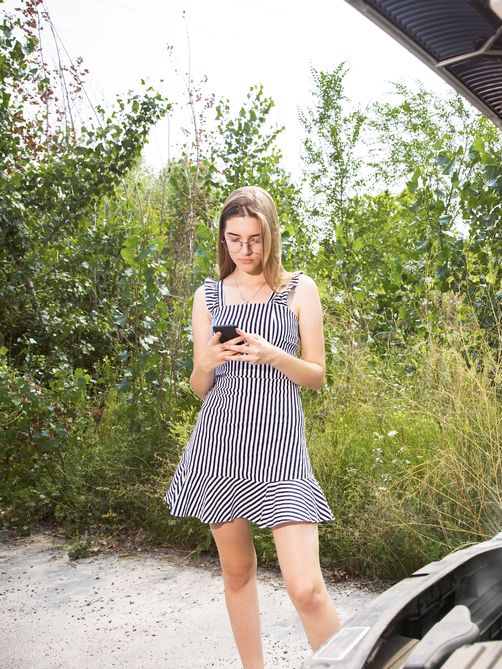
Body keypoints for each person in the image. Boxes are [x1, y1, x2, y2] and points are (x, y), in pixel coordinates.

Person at [164, 185, 340, 668]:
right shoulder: (208, 296)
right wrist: (206, 361)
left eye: (255, 239)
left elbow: (317, 375)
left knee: (306, 589)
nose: (245, 249)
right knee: (238, 573)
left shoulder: (298, 289)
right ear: (223, 239)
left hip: (282, 452)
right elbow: (201, 387)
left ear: (271, 235)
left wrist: (271, 353)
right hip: (219, 447)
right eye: (234, 239)